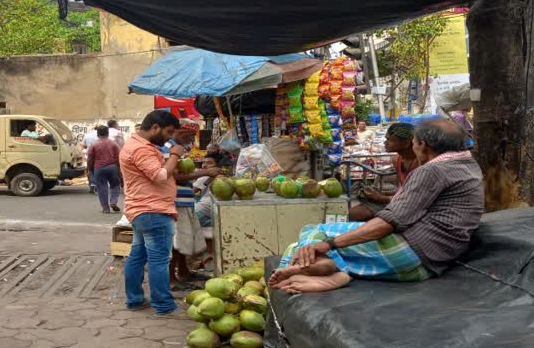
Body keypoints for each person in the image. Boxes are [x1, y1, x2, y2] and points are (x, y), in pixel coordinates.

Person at [268, 119, 483, 294]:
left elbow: (388, 223)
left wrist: (329, 245)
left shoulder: (432, 171)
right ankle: (331, 269)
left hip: (409, 253)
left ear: (423, 145)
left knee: (313, 232)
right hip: (429, 266)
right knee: (304, 245)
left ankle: (298, 269)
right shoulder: (468, 165)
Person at [121, 110, 185, 317]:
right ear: (155, 127)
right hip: (153, 211)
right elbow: (159, 176)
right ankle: (163, 305)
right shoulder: (141, 149)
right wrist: (175, 154)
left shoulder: (138, 146)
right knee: (159, 260)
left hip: (143, 210)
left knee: (137, 256)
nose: (169, 138)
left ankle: (135, 299)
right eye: (168, 132)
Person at [161, 119, 221, 288]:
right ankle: (172, 279)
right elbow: (174, 176)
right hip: (176, 201)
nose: (191, 140)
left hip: (185, 200)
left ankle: (184, 272)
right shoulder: (169, 148)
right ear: (180, 131)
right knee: (176, 241)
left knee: (184, 240)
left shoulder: (179, 149)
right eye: (190, 135)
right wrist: (204, 172)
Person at [349, 123, 420, 222]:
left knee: (356, 215)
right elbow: (403, 189)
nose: (385, 143)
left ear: (406, 143)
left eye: (389, 140)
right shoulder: (397, 160)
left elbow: (413, 199)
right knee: (350, 214)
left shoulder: (421, 164)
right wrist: (381, 193)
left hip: (411, 208)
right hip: (398, 202)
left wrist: (381, 197)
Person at [87, 125, 122, 214]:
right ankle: (113, 201)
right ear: (107, 133)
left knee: (101, 187)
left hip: (99, 168)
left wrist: (90, 169)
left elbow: (90, 159)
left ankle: (105, 208)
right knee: (115, 185)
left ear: (98, 134)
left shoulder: (94, 145)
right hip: (112, 167)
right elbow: (119, 157)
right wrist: (120, 170)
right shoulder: (114, 144)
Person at [82, 126, 99, 194]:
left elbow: (83, 146)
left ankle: (92, 184)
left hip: (89, 155)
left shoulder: (87, 135)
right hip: (99, 155)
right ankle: (96, 186)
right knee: (98, 170)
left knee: (90, 169)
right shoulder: (101, 136)